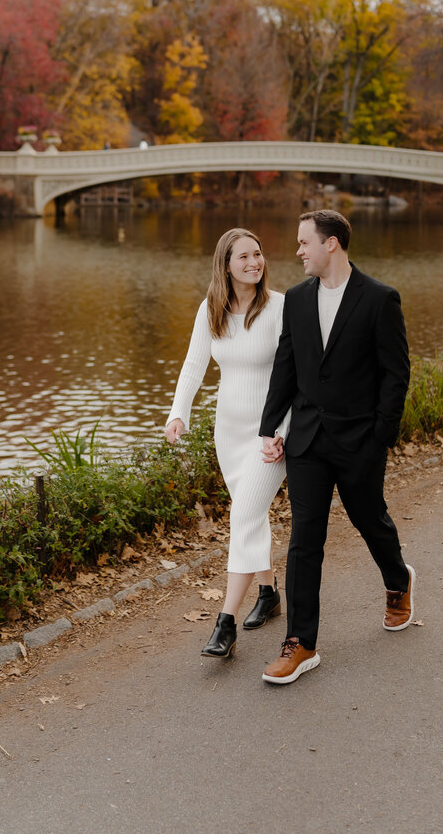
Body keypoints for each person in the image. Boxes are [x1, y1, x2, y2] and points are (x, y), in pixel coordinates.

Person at [258, 209, 414, 684]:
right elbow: (286, 365)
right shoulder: (298, 301)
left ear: (332, 245)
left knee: (370, 519)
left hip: (359, 440)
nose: (298, 251)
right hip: (306, 439)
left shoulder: (379, 299)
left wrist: (380, 435)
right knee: (305, 541)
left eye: (305, 242)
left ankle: (398, 580)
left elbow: (396, 373)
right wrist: (270, 428)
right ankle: (301, 643)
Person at [165, 228, 288, 659]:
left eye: (258, 254)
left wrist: (282, 432)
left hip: (268, 435)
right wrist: (178, 411)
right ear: (226, 265)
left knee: (243, 514)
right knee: (251, 515)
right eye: (244, 257)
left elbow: (295, 378)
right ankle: (269, 592)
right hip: (229, 431)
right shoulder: (211, 309)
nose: (254, 262)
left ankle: (226, 621)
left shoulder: (279, 308)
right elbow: (194, 363)